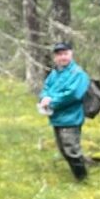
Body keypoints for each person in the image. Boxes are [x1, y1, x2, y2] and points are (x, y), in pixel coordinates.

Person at [38, 41, 91, 181]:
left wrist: (52, 101)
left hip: (71, 118)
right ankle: (80, 175)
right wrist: (44, 97)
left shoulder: (78, 74)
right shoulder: (55, 73)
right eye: (59, 54)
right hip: (57, 117)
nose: (63, 57)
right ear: (55, 57)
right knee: (63, 149)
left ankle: (82, 179)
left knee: (71, 150)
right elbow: (46, 87)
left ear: (71, 54)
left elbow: (73, 94)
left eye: (65, 53)